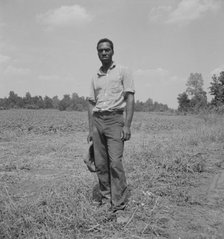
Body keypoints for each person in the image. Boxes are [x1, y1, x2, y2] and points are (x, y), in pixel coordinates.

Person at [87, 38, 135, 213]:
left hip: (115, 120)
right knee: (101, 163)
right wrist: (91, 128)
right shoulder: (95, 76)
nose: (104, 53)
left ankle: (119, 205)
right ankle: (106, 199)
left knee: (115, 163)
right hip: (98, 120)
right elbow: (91, 103)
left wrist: (127, 125)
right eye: (101, 50)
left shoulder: (123, 71)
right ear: (97, 53)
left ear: (113, 51)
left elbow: (130, 97)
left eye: (107, 50)